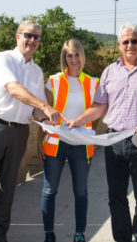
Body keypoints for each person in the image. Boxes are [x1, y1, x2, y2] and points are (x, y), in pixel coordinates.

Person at [67, 22, 137, 242]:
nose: (130, 45)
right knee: (116, 197)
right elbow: (99, 106)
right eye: (126, 41)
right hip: (114, 141)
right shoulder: (109, 71)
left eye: (134, 40)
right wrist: (78, 120)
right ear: (119, 45)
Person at [0, 20, 59, 242]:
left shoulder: (37, 71)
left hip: (19, 132)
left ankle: (0, 238)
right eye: (28, 35)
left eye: (37, 37)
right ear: (18, 37)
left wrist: (48, 118)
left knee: (7, 190)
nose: (33, 41)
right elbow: (14, 89)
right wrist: (45, 105)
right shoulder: (3, 59)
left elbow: (35, 111)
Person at [38, 39, 99, 242]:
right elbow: (44, 112)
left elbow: (96, 115)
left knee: (80, 190)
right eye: (69, 55)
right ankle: (49, 234)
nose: (73, 59)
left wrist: (88, 135)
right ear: (64, 57)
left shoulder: (93, 82)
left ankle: (79, 234)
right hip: (55, 143)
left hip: (81, 143)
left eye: (76, 54)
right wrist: (40, 141)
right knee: (49, 189)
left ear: (82, 55)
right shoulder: (53, 81)